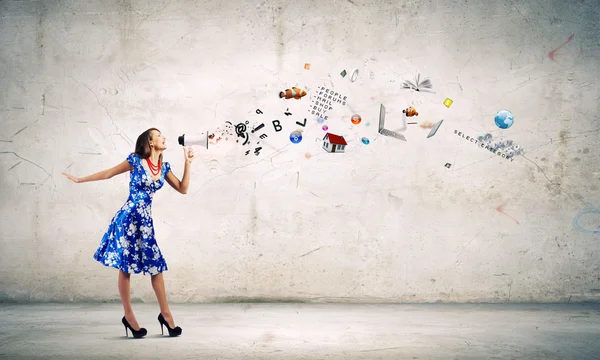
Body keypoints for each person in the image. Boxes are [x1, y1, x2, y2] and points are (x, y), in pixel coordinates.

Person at [61, 128, 195, 338]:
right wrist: (80, 180)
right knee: (126, 267)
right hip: (127, 220)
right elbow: (108, 173)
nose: (164, 137)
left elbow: (183, 188)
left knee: (155, 267)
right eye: (159, 135)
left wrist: (188, 162)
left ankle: (166, 315)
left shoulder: (163, 166)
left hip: (145, 223)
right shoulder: (134, 160)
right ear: (150, 142)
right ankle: (129, 316)